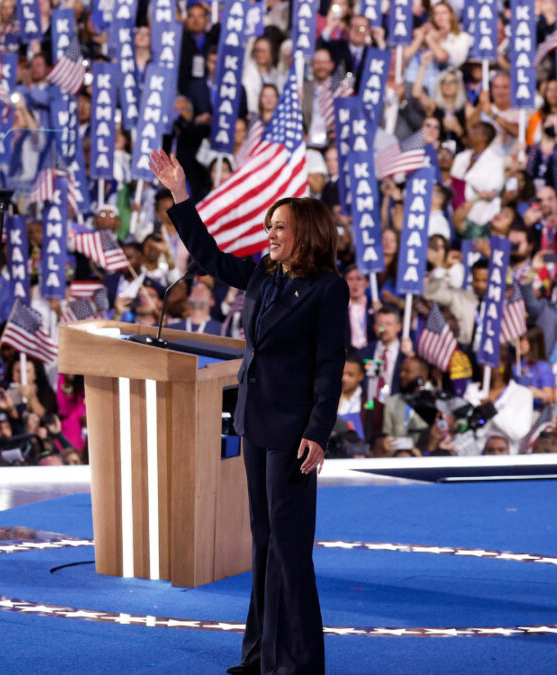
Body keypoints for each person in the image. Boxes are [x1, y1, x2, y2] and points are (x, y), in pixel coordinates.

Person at [151, 149, 347, 674]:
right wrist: (181, 196)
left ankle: (299, 663)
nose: (271, 234)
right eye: (268, 226)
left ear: (305, 231)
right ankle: (262, 657)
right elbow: (211, 259)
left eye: (280, 226)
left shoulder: (328, 289)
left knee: (289, 550)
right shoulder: (264, 273)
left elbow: (331, 366)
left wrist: (318, 432)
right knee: (264, 545)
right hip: (255, 425)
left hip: (293, 434)